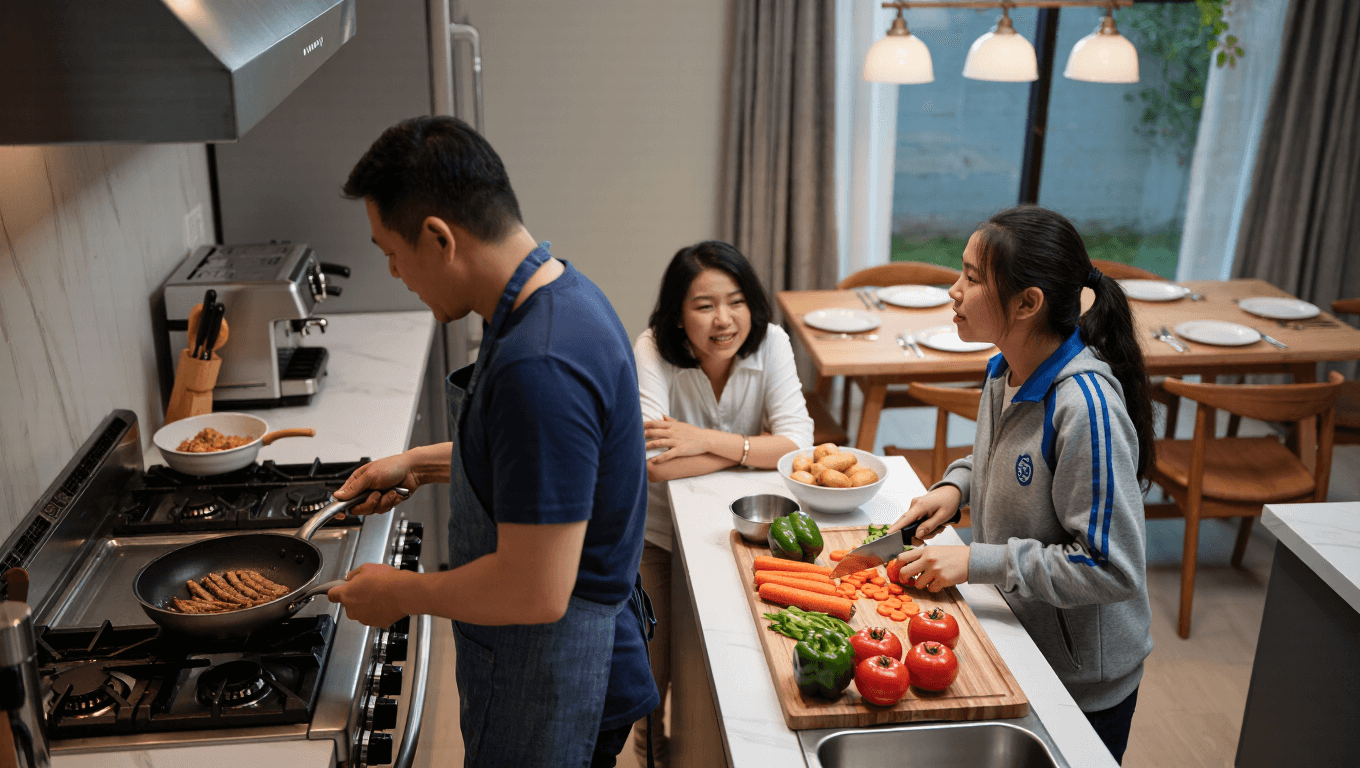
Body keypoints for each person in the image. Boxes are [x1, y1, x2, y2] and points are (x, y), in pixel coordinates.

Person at [326, 115, 658, 767]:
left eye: (391, 253)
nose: (395, 273)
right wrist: (416, 464)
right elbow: (543, 471)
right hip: (557, 660)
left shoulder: (541, 366)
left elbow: (533, 589)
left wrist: (401, 593)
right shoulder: (559, 295)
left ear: (438, 238)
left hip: (560, 677)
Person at [886, 205, 1154, 764]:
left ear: (1028, 303)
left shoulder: (1086, 410)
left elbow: (1113, 567)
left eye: (973, 278)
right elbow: (1001, 462)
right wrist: (957, 487)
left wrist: (978, 561)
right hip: (1019, 638)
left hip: (1084, 684)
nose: (953, 291)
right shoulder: (1005, 369)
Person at [631, 240, 814, 764]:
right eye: (704, 305)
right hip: (659, 533)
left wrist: (703, 439)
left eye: (736, 302)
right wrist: (755, 451)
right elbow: (654, 461)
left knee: (737, 658)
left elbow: (799, 442)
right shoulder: (651, 348)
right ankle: (651, 748)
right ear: (677, 313)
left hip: (746, 530)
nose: (724, 320)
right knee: (654, 668)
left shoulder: (772, 341)